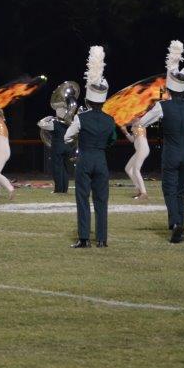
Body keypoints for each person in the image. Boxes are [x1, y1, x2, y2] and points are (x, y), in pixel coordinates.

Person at [139, 40, 184, 243]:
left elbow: (143, 122)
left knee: (169, 189)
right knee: (181, 192)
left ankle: (175, 223)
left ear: (170, 88)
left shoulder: (163, 106)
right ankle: (181, 226)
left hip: (171, 153)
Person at [65, 46, 116, 248]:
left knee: (83, 199)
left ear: (88, 99)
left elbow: (68, 137)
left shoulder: (81, 117)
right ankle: (101, 240)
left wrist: (77, 141)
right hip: (101, 160)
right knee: (102, 201)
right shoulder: (110, 120)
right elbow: (112, 140)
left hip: (85, 159)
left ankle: (84, 239)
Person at [38, 105, 72, 193]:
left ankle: (58, 190)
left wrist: (47, 118)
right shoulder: (69, 123)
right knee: (65, 169)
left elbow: (40, 124)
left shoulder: (54, 123)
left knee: (57, 169)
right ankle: (64, 189)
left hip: (58, 148)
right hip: (68, 147)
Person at [119, 117, 149, 200]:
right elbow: (132, 140)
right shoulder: (135, 125)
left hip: (143, 149)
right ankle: (140, 190)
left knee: (136, 169)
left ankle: (144, 193)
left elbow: (133, 121)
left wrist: (124, 123)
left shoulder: (140, 123)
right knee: (128, 168)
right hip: (140, 150)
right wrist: (125, 132)